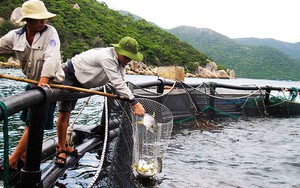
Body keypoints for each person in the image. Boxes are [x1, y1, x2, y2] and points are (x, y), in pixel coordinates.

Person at [55, 36, 146, 166]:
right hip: (70, 74)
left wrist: (127, 98)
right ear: (118, 51)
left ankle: (63, 144)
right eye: (126, 57)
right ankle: (61, 149)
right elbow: (117, 81)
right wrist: (134, 102)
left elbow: (120, 80)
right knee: (64, 112)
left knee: (68, 112)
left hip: (81, 81)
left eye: (130, 58)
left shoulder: (120, 63)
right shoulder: (107, 57)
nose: (128, 60)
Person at [0, 0, 64, 170]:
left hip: (50, 84)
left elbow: (52, 57)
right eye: (38, 19)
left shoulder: (51, 32)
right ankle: (22, 157)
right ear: (27, 20)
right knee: (27, 120)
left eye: (45, 19)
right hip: (33, 83)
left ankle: (13, 160)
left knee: (33, 123)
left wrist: (44, 81)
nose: (44, 22)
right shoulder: (16, 36)